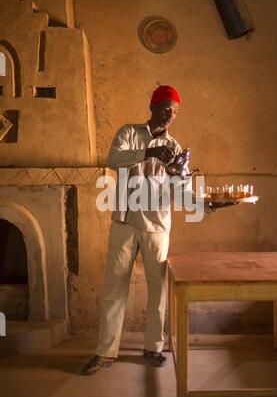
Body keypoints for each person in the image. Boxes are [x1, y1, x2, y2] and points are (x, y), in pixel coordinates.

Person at [81, 85, 212, 375]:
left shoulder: (175, 148)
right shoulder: (129, 133)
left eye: (175, 111)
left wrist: (193, 191)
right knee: (113, 290)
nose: (171, 115)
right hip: (125, 222)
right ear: (152, 106)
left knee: (158, 291)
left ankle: (153, 348)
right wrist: (149, 151)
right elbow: (113, 160)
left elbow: (180, 192)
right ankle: (105, 352)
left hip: (157, 226)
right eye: (166, 108)